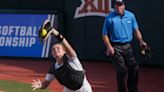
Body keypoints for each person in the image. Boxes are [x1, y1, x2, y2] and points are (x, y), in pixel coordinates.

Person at [31, 20, 92, 92]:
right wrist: (41, 85)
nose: (56, 50)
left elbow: (67, 46)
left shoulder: (72, 60)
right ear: (52, 54)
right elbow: (45, 84)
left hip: (84, 89)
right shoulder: (53, 69)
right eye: (53, 49)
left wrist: (56, 33)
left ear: (64, 52)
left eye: (58, 48)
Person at [102, 0, 147, 92]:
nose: (118, 7)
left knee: (134, 67)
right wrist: (109, 46)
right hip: (116, 47)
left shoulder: (131, 16)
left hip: (128, 46)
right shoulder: (109, 18)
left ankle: (133, 89)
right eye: (116, 5)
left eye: (120, 5)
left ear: (124, 6)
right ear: (114, 6)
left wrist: (141, 41)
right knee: (122, 70)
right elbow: (104, 34)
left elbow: (136, 29)